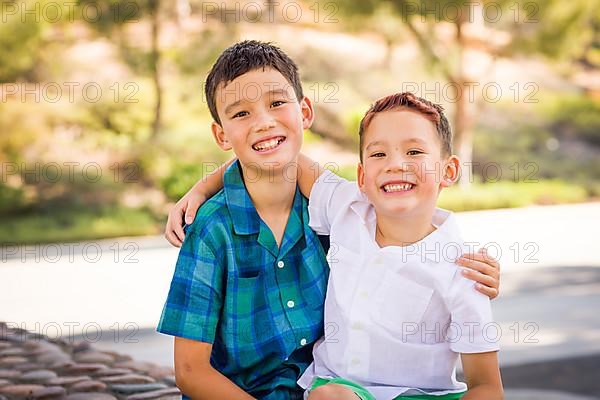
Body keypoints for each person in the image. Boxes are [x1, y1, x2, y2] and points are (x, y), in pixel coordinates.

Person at [159, 40, 501, 399]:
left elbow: (277, 155)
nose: (262, 121)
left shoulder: (332, 210)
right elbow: (190, 371)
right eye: (241, 113)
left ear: (305, 112)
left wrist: (474, 276)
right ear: (221, 135)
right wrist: (203, 188)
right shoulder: (217, 229)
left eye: (276, 103)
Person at [295, 92, 503, 399]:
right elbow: (282, 157)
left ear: (448, 171)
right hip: (343, 389)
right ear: (362, 176)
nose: (395, 165)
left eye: (415, 151)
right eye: (378, 155)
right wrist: (205, 185)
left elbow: (487, 387)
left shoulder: (465, 270)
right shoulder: (346, 206)